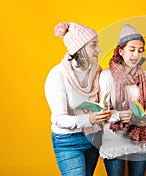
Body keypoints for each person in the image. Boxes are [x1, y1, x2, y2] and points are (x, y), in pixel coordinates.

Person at [45, 22, 112, 176]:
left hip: (93, 136)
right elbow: (59, 119)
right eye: (93, 45)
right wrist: (90, 118)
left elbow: (100, 102)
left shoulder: (96, 71)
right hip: (68, 141)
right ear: (79, 49)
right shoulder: (57, 75)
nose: (99, 49)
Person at [98, 24, 146, 176]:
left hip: (139, 138)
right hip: (114, 138)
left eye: (140, 51)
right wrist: (118, 116)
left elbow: (145, 109)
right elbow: (100, 110)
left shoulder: (145, 77)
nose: (136, 55)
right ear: (121, 51)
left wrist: (143, 117)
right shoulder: (107, 76)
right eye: (132, 49)